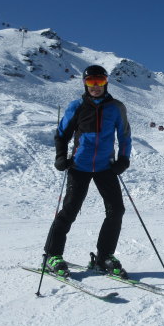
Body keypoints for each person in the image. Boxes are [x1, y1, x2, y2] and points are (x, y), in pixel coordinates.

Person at [43, 65, 132, 278]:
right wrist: (60, 157)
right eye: (91, 82)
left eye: (99, 81)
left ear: (106, 83)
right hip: (79, 167)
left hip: (105, 167)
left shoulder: (116, 107)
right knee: (69, 211)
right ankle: (52, 256)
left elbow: (125, 136)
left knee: (116, 210)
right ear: (85, 83)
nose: (95, 86)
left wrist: (123, 160)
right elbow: (61, 134)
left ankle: (104, 257)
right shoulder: (77, 106)